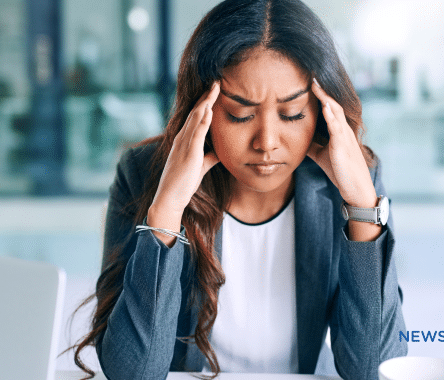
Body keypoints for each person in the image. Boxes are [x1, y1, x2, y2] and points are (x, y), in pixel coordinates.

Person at [70, 0, 408, 379]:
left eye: (292, 114)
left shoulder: (350, 182)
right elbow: (134, 372)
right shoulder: (143, 173)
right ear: (202, 108)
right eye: (240, 114)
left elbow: (373, 369)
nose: (267, 143)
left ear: (320, 111)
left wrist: (362, 206)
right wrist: (167, 208)